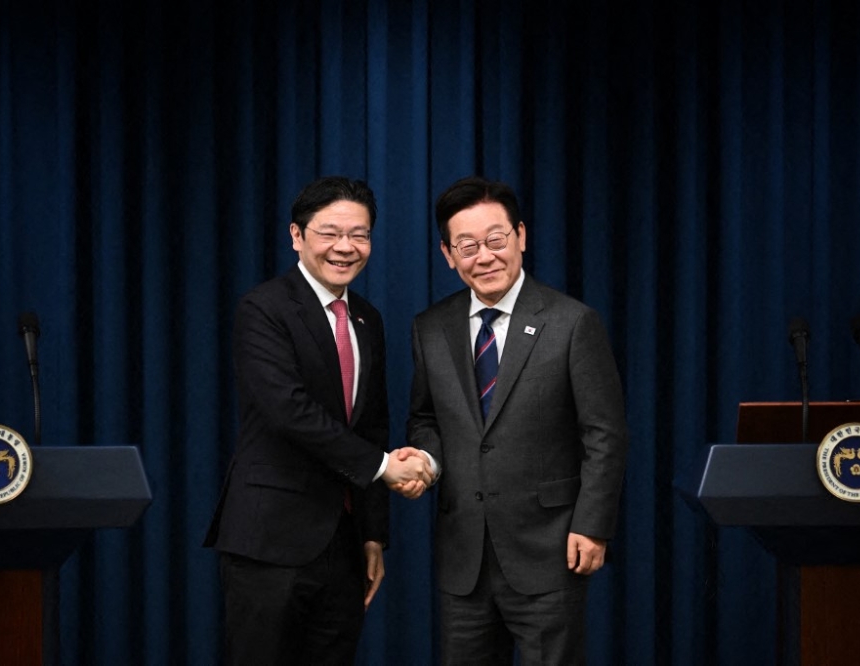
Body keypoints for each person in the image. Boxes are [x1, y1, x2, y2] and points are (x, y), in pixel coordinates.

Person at [204, 176, 432, 665]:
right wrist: (385, 468)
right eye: (329, 233)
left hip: (344, 546)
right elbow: (290, 411)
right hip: (270, 541)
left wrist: (373, 534)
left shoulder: (368, 319)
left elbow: (371, 426)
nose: (345, 247)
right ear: (297, 235)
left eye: (360, 234)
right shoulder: (264, 308)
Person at [407, 176, 629, 665]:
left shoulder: (572, 323)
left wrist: (592, 525)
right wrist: (424, 457)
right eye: (466, 246)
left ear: (521, 236)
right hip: (464, 555)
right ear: (448, 254)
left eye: (495, 240)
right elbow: (425, 418)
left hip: (550, 550)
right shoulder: (430, 328)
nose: (483, 256)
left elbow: (604, 434)